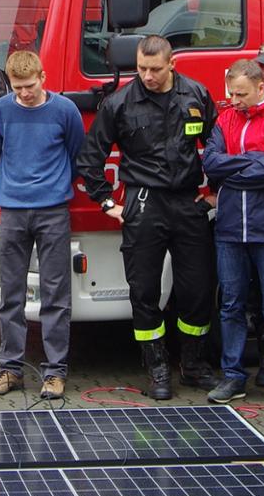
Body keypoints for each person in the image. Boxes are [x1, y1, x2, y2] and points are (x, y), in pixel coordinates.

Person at [77, 35, 221, 400]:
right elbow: (90, 157)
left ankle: (193, 364)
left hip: (188, 203)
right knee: (144, 290)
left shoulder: (195, 95)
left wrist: (214, 192)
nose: (148, 76)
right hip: (144, 203)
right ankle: (157, 368)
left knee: (197, 288)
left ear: (172, 64)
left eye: (155, 69)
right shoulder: (120, 102)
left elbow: (219, 145)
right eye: (142, 68)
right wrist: (106, 202)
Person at [0, 51, 86, 400]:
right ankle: (10, 369)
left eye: (30, 85)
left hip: (53, 211)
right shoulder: (1, 110)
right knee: (10, 293)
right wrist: (13, 185)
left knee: (56, 294)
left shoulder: (65, 111)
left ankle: (55, 373)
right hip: (11, 211)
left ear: (43, 77)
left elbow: (76, 154)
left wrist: (54, 185)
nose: (24, 93)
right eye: (17, 88)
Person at [202, 60, 264, 406]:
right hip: (230, 226)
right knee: (231, 303)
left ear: (262, 88)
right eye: (231, 93)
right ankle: (233, 375)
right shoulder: (225, 118)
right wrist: (252, 161)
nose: (234, 100)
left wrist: (232, 169)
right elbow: (210, 163)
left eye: (241, 94)